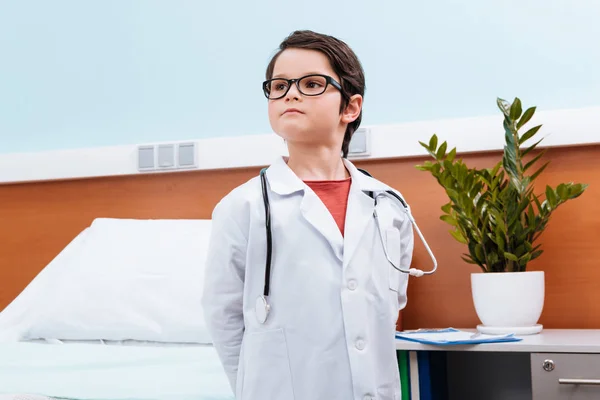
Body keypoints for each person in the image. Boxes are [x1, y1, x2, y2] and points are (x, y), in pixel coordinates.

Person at [202, 30, 414, 400]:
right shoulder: (244, 207)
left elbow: (389, 305)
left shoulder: (389, 206)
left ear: (350, 107)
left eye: (312, 83)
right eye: (279, 86)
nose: (291, 94)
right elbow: (224, 316)